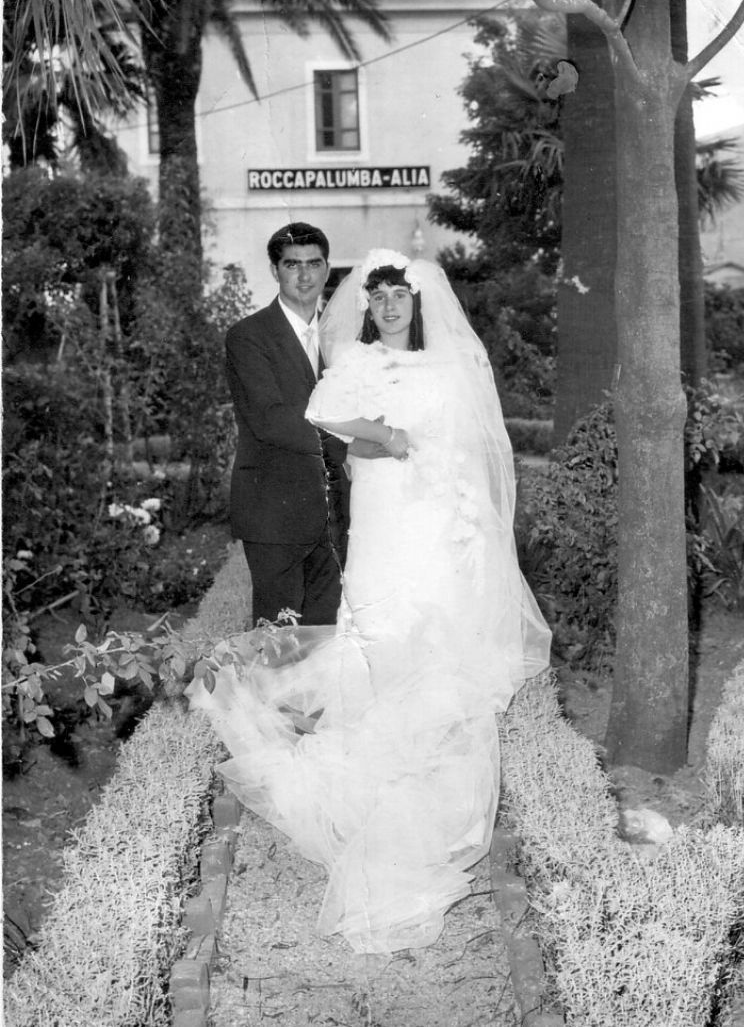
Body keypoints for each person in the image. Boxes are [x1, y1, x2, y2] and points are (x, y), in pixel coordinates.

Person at [188, 250, 551, 954]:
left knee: (434, 649)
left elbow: (467, 454)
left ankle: (427, 797)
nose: (389, 307)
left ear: (418, 307)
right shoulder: (351, 362)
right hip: (383, 522)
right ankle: (375, 795)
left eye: (399, 298)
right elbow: (322, 413)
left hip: (433, 525)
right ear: (367, 305)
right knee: (378, 641)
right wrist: (377, 435)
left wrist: (467, 537)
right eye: (378, 297)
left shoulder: (447, 368)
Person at [225, 222, 384, 627]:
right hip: (274, 513)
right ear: (275, 270)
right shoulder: (249, 337)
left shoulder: (345, 340)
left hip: (335, 516)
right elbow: (272, 420)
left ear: (328, 269)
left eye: (314, 264)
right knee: (279, 641)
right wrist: (354, 444)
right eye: (292, 264)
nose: (304, 275)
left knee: (325, 637)